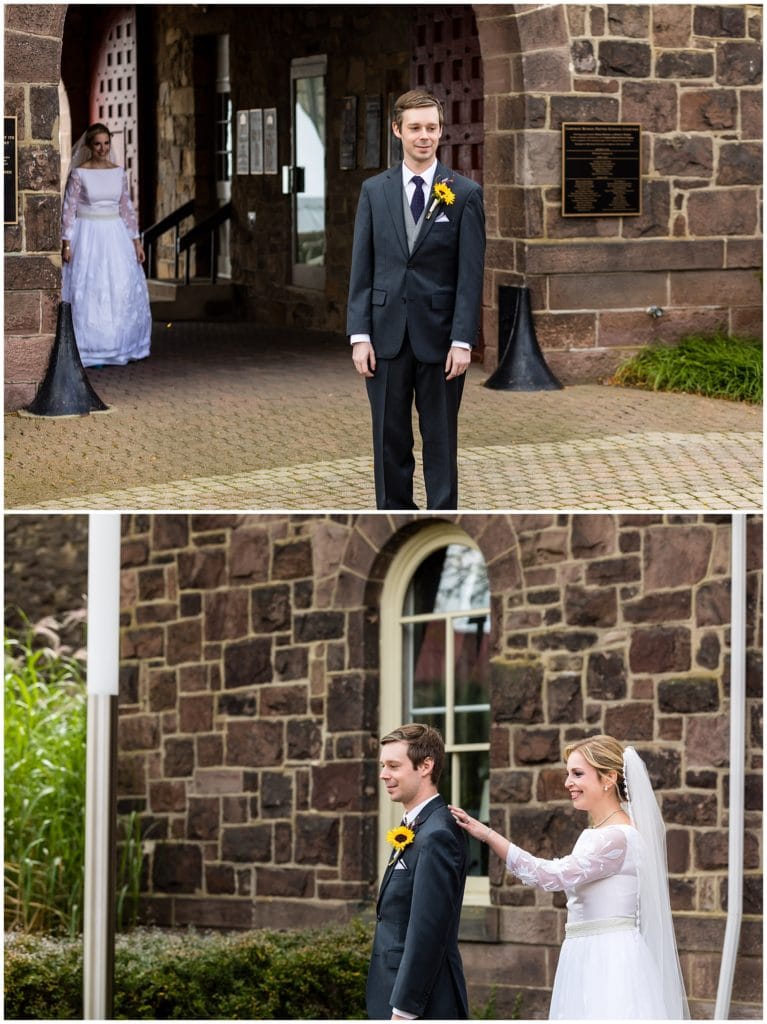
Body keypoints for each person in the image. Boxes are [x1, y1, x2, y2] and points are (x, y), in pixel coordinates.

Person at [450, 735, 690, 1020]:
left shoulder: (616, 837)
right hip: (586, 951)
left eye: (577, 774)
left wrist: (489, 835)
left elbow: (550, 876)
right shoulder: (600, 833)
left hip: (608, 959)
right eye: (568, 774)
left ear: (608, 778)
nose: (568, 783)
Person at [347, 90, 485, 510]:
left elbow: (469, 276)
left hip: (441, 341)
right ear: (397, 131)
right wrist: (359, 335)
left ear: (441, 132)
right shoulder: (374, 191)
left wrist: (463, 340)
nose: (423, 136)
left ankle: (442, 510)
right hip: (385, 337)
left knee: (440, 439)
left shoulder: (463, 194)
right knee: (389, 438)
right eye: (415, 128)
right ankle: (394, 513)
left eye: (431, 128)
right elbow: (362, 266)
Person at [367, 724, 470, 1020]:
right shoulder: (416, 825)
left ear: (426, 766)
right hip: (393, 991)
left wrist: (404, 1011)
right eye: (383, 765)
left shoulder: (437, 834)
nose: (384, 774)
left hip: (423, 1005)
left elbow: (428, 930)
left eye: (393, 766)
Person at [61, 122, 151, 367]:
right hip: (87, 234)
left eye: (106, 143)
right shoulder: (80, 173)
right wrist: (67, 243)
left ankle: (117, 344)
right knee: (90, 288)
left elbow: (127, 209)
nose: (102, 148)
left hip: (115, 235)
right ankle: (88, 347)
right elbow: (69, 209)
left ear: (110, 144)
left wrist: (136, 242)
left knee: (118, 288)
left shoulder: (118, 172)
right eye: (97, 144)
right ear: (90, 146)